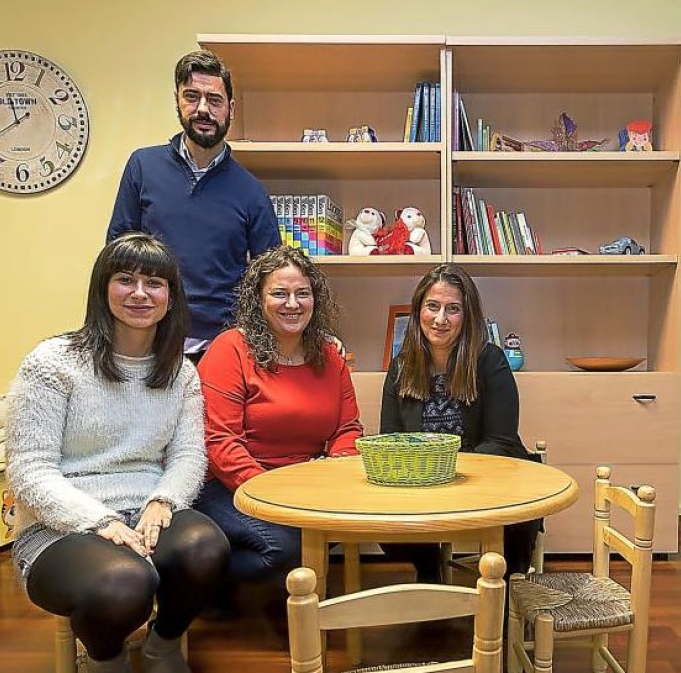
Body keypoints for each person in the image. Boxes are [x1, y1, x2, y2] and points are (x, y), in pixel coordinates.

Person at [6, 233, 229, 673]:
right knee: (127, 580)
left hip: (145, 510)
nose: (141, 293)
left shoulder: (181, 371)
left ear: (171, 296)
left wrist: (162, 501)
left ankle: (162, 644)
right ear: (102, 288)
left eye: (155, 283)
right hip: (61, 527)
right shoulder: (52, 362)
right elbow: (29, 470)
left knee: (207, 548)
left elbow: (188, 456)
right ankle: (104, 659)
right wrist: (98, 521)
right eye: (126, 280)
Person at [195, 246, 363, 597]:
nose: (293, 303)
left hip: (305, 487)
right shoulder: (230, 349)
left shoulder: (330, 356)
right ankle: (199, 584)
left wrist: (335, 473)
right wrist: (275, 494)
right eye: (279, 293)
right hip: (230, 485)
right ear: (259, 299)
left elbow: (348, 429)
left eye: (303, 293)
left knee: (325, 532)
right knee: (284, 550)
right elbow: (221, 443)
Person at [107, 50, 280, 365]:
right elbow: (117, 257)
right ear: (177, 102)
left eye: (214, 100)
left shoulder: (251, 191)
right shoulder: (143, 167)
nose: (203, 109)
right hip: (149, 343)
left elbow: (274, 275)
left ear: (231, 109)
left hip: (222, 351)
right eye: (192, 97)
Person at [380, 264, 541, 581]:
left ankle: (504, 600)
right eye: (432, 306)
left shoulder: (490, 360)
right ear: (418, 311)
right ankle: (429, 575)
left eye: (453, 309)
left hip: (487, 482)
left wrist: (450, 475)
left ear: (467, 316)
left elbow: (501, 440)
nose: (441, 319)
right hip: (422, 483)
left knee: (514, 525)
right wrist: (428, 479)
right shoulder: (400, 366)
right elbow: (391, 439)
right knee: (388, 530)